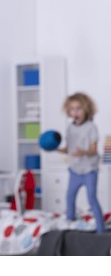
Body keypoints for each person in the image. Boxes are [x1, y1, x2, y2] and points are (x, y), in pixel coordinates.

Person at [57, 92, 104, 233]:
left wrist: (83, 152)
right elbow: (68, 149)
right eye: (72, 109)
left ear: (86, 109)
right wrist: (56, 149)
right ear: (68, 111)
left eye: (79, 108)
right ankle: (70, 223)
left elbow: (94, 150)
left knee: (91, 198)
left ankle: (101, 229)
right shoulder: (69, 128)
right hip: (74, 169)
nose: (75, 112)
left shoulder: (91, 127)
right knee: (69, 196)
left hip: (89, 169)